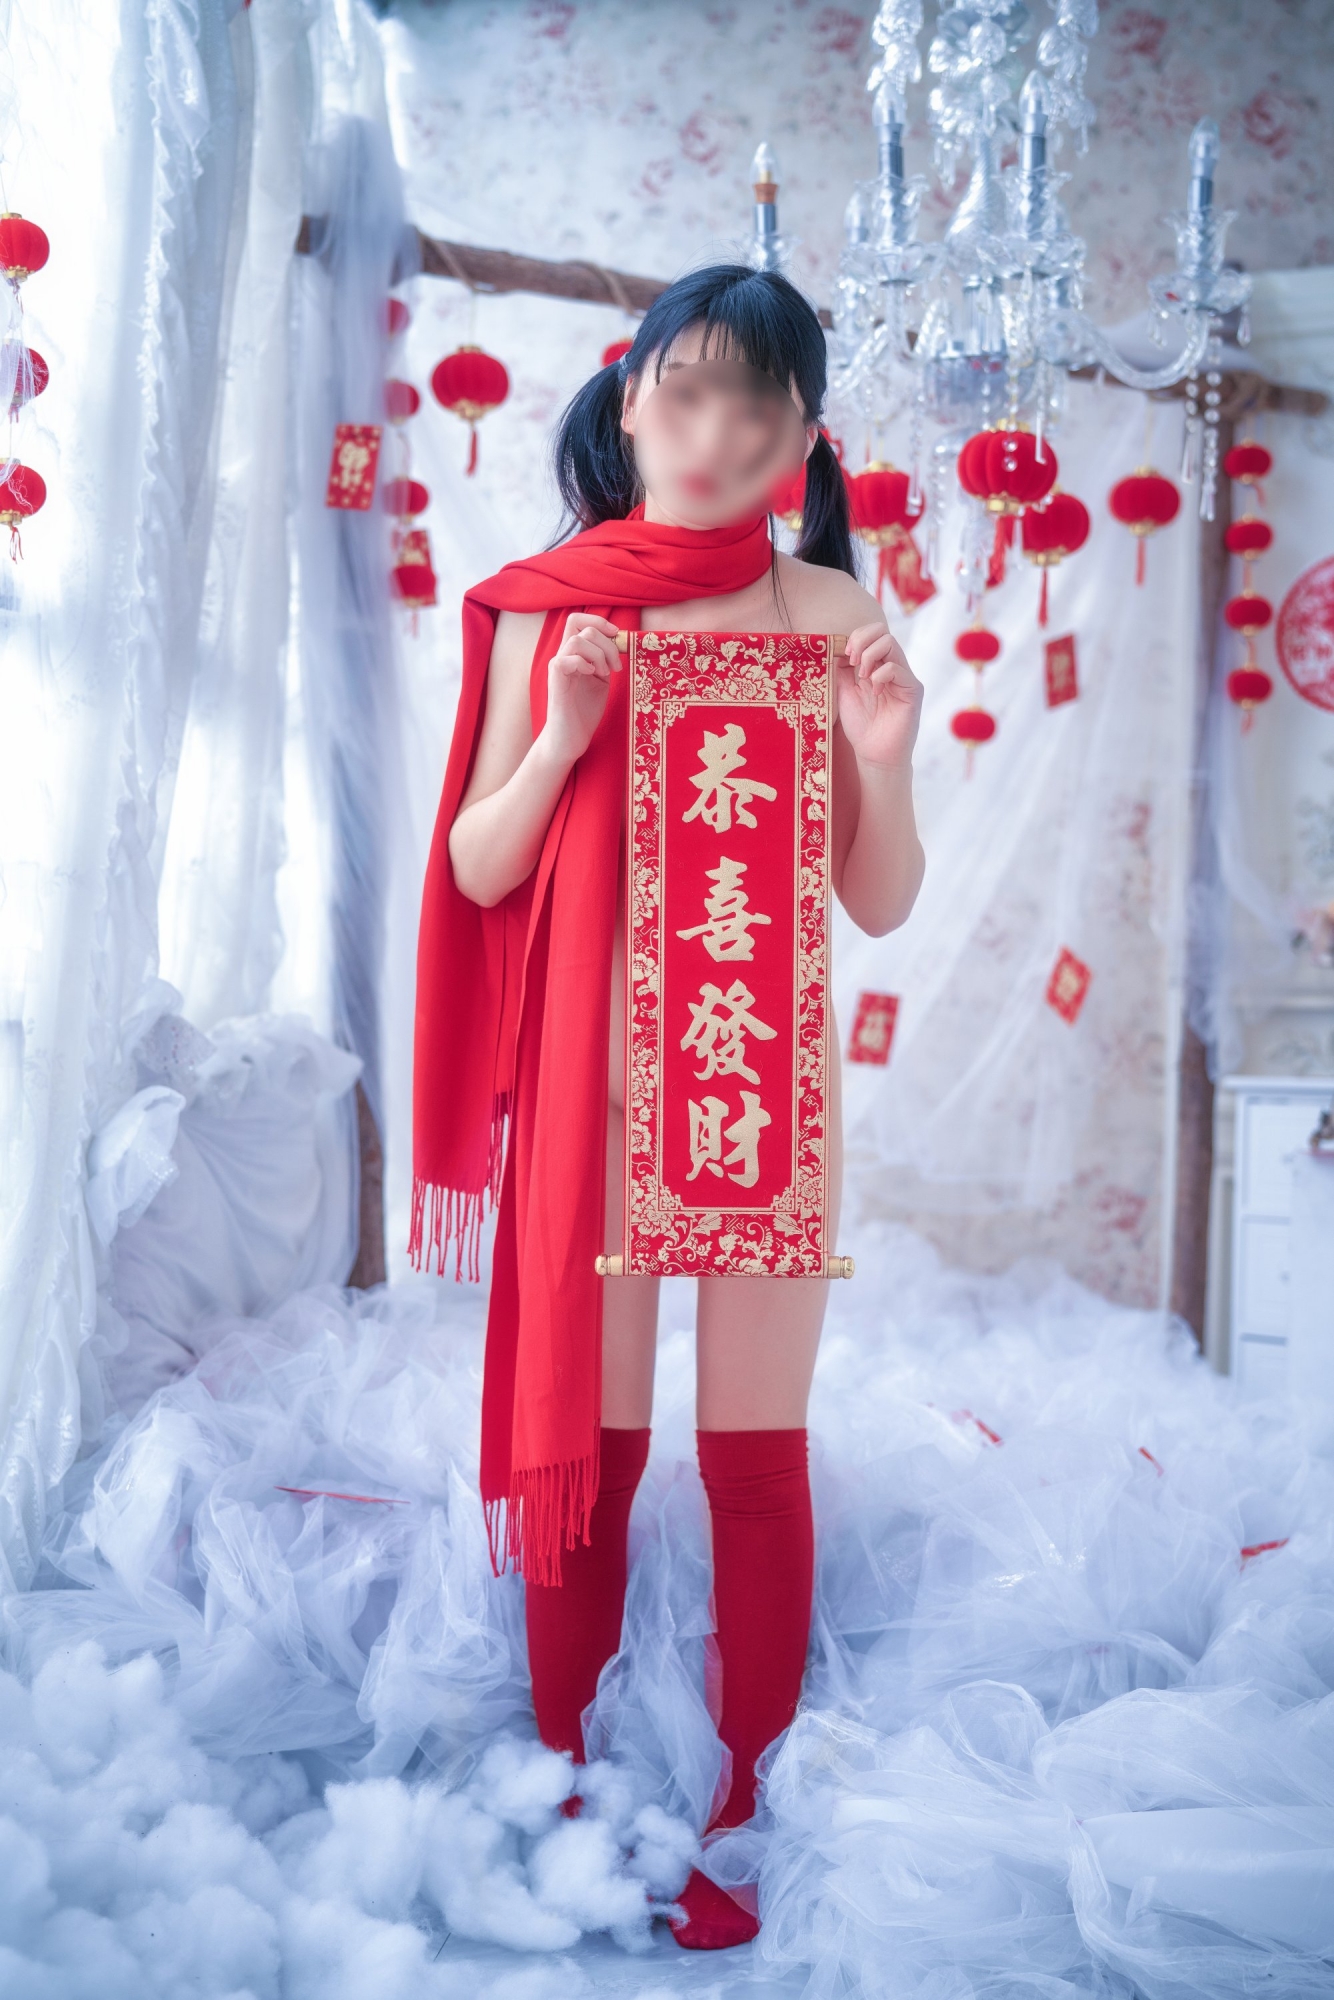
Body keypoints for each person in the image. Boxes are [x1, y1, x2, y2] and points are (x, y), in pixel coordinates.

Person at [411, 263, 925, 1950]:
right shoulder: (547, 607)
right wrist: (561, 739)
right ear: (628, 397)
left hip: (762, 1089)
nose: (715, 435)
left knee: (753, 1461)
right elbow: (479, 868)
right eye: (686, 393)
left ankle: (737, 1816)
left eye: (757, 410)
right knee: (600, 1459)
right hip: (596, 1100)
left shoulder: (828, 611)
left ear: (802, 441)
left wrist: (882, 761)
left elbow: (878, 902)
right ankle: (570, 1798)